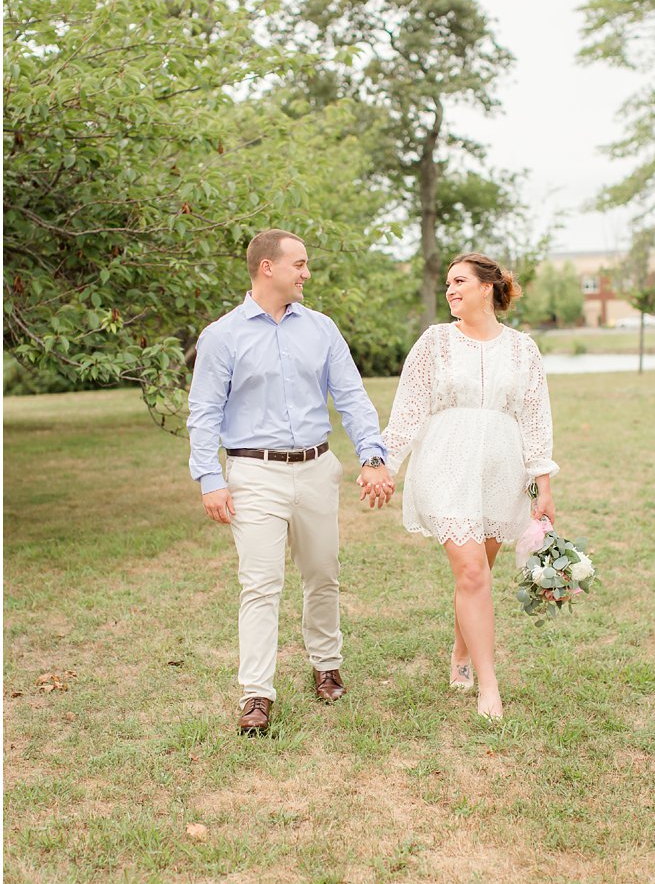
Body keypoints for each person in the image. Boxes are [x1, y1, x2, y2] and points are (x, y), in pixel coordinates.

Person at [188, 229, 396, 736]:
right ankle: (256, 694)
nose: (306, 273)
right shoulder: (222, 336)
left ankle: (326, 663)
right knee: (260, 584)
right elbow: (203, 412)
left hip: (317, 469)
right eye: (298, 264)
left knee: (323, 572)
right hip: (254, 473)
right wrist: (209, 478)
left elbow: (351, 396)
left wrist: (372, 454)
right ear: (267, 267)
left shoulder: (322, 329)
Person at [380, 252, 558, 721]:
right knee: (473, 573)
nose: (450, 290)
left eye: (459, 281)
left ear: (487, 288)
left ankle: (460, 654)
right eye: (446, 285)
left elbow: (536, 419)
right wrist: (384, 463)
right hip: (445, 465)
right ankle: (489, 685)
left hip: (502, 472)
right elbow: (409, 408)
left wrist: (542, 485)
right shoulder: (435, 342)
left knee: (478, 572)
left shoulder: (523, 349)